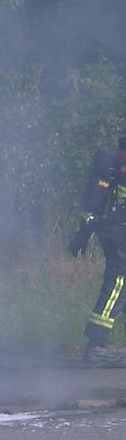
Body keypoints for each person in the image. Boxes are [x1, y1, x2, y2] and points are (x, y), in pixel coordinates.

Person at [74, 139, 126, 362]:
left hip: (113, 230)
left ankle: (98, 343)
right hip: (118, 233)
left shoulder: (116, 165)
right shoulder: (119, 168)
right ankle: (96, 344)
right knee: (118, 282)